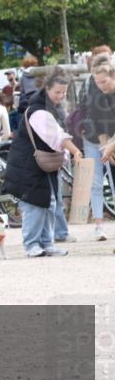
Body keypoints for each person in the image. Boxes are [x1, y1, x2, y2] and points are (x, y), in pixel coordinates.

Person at [4, 72, 82, 257]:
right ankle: (31, 245)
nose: (61, 96)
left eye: (64, 92)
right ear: (46, 89)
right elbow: (57, 136)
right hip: (28, 165)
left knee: (49, 203)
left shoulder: (51, 108)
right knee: (34, 204)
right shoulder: (38, 111)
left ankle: (47, 243)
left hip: (40, 164)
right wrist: (75, 150)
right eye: (57, 92)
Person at [81, 55, 115, 241]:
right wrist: (105, 146)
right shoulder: (93, 87)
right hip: (95, 137)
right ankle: (99, 225)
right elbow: (94, 117)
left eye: (104, 81)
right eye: (98, 81)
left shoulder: (109, 89)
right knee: (96, 182)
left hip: (110, 138)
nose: (101, 85)